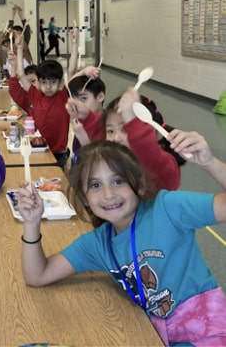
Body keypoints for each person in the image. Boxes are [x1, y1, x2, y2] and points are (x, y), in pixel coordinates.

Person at [14, 140, 226, 345]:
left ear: (139, 185)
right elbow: (37, 275)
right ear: (85, 198)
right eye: (95, 185)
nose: (109, 194)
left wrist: (210, 163)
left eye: (118, 181)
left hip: (207, 332)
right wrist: (32, 223)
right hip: (158, 333)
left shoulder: (168, 208)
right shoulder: (98, 243)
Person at [9, 28, 79, 168]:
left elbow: (71, 70)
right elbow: (21, 75)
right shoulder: (35, 94)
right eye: (44, 82)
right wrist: (19, 48)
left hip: (59, 152)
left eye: (53, 82)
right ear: (38, 83)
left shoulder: (63, 95)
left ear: (60, 83)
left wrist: (75, 44)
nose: (48, 87)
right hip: (38, 148)